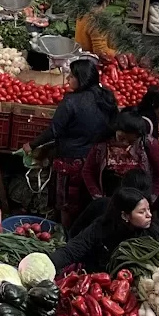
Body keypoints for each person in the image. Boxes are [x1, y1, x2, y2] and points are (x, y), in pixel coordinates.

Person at [32, 58, 119, 226]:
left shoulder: (71, 101)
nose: (68, 79)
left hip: (71, 159)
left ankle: (66, 234)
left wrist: (32, 145)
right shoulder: (107, 98)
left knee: (66, 202)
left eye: (71, 76)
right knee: (89, 198)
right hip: (96, 159)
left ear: (82, 79)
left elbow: (54, 131)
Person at [54, 188, 153, 273]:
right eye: (142, 212)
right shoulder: (102, 226)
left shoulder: (153, 234)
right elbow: (74, 249)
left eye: (148, 209)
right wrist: (47, 264)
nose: (149, 215)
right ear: (125, 216)